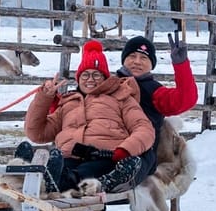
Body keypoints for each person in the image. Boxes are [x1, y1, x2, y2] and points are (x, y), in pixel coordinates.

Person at [22, 40, 155, 194]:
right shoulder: (69, 103)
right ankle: (17, 176)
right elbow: (37, 133)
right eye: (85, 74)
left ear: (105, 77)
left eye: (96, 74)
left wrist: (124, 150)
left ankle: (52, 182)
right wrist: (44, 97)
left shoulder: (121, 97)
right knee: (61, 166)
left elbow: (144, 129)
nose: (90, 79)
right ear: (78, 78)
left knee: (82, 172)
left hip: (104, 157)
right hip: (68, 157)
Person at [117, 31, 198, 175]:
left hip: (139, 155)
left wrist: (181, 65)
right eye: (132, 56)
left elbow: (185, 99)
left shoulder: (154, 91)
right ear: (123, 60)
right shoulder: (110, 84)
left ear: (151, 65)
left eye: (143, 58)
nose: (137, 61)